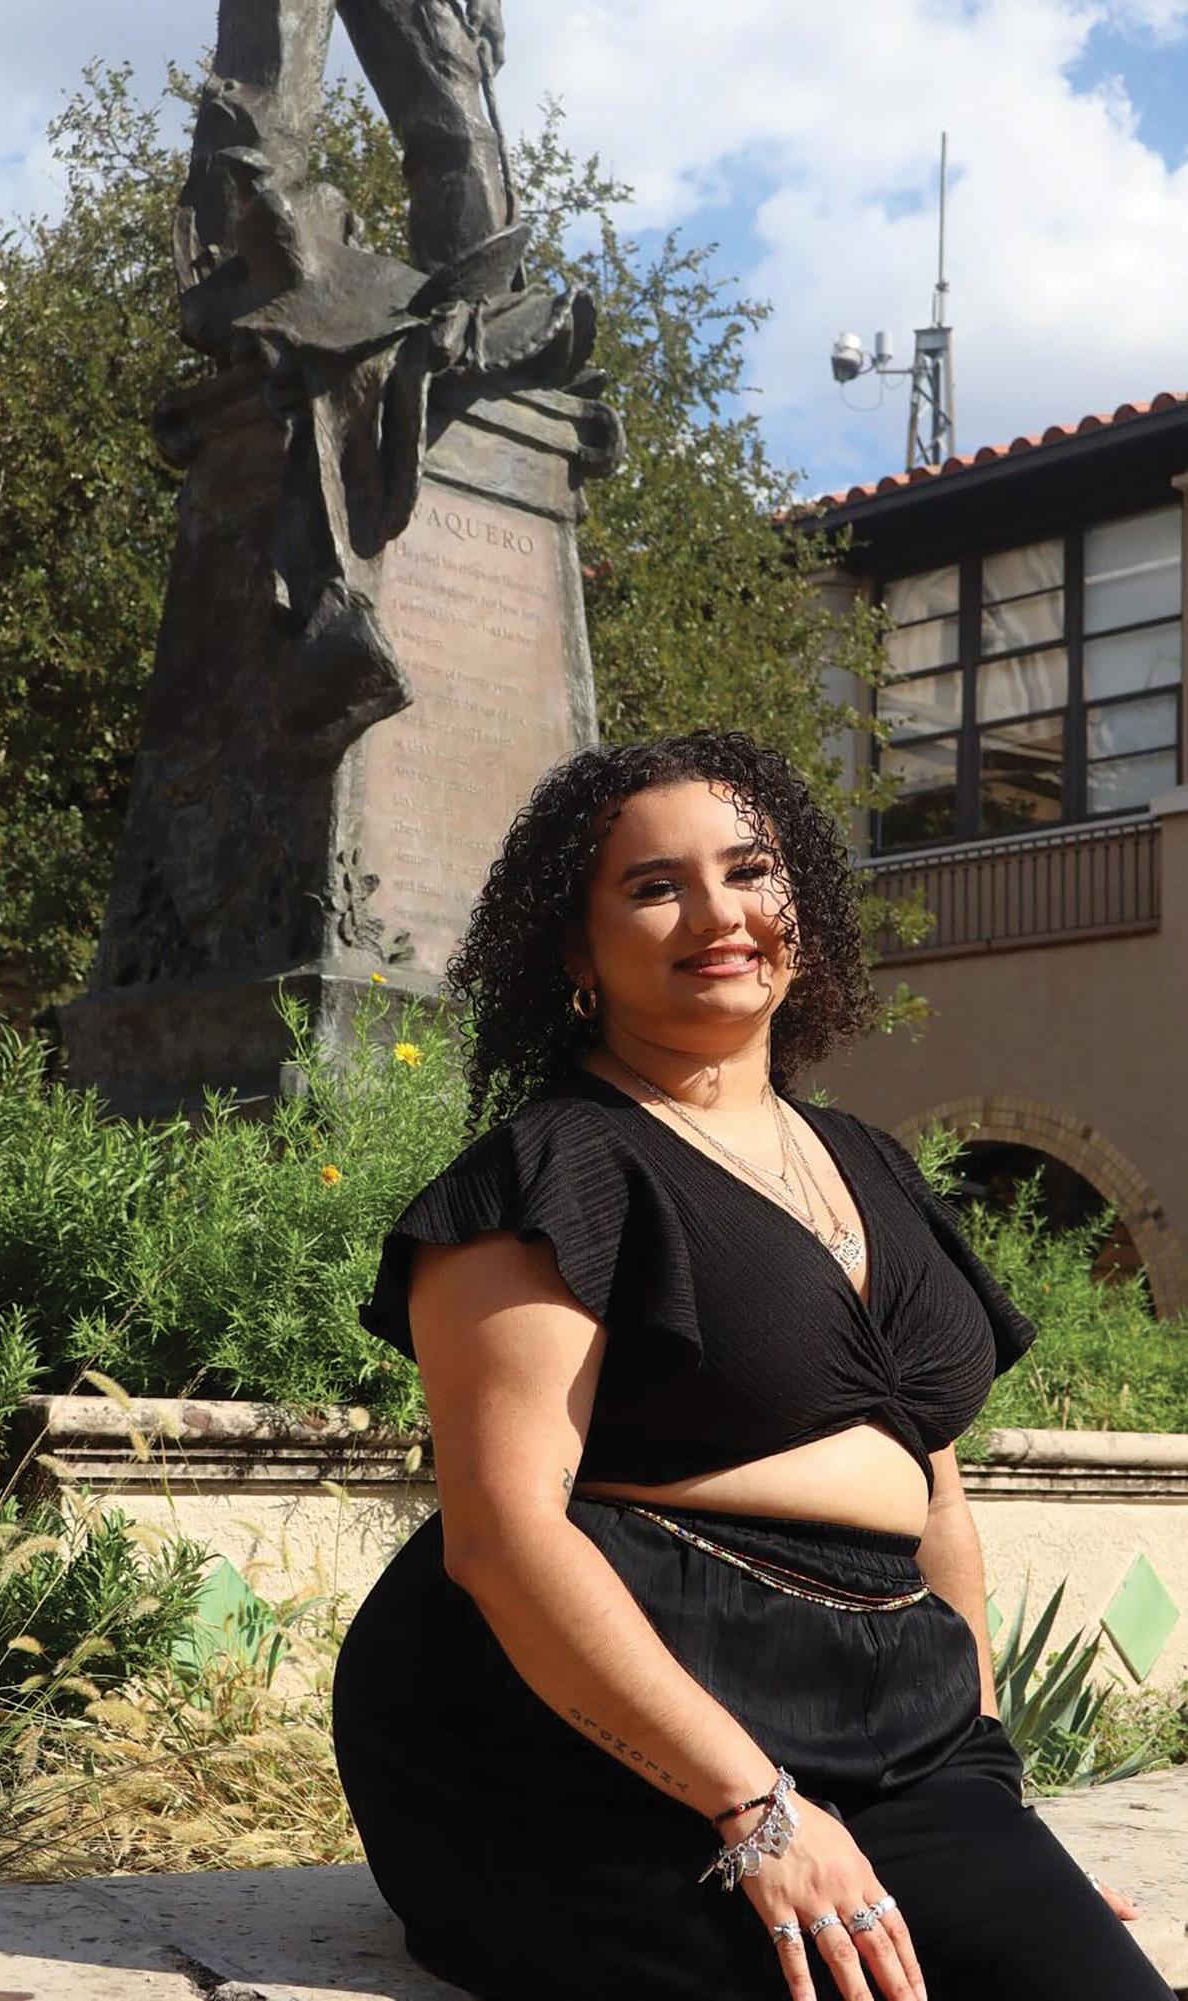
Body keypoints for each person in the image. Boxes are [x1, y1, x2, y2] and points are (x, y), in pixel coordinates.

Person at [332, 730, 1171, 2001]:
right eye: (654, 885)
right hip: (582, 1742)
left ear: (802, 907)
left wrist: (989, 1796)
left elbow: (931, 1501)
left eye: (749, 870)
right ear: (575, 946)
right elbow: (500, 1538)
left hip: (894, 1727)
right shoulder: (550, 1174)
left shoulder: (872, 1164)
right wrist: (753, 1808)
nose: (717, 913)